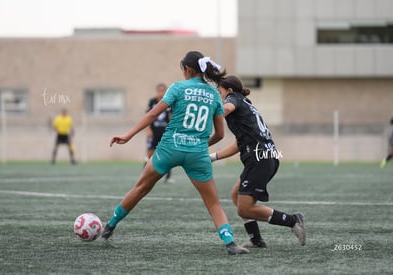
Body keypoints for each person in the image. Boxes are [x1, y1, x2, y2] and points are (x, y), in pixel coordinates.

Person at [102, 51, 249, 255]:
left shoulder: (178, 88)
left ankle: (109, 226)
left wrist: (128, 135)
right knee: (213, 203)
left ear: (188, 69)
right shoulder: (214, 94)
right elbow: (220, 134)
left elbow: (153, 114)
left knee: (141, 188)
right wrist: (198, 144)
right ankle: (230, 243)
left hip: (169, 148)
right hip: (197, 153)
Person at [210, 75, 306, 248]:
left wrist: (207, 112)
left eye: (220, 91)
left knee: (244, 209)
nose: (219, 95)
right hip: (265, 157)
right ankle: (256, 239)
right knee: (236, 195)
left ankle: (293, 220)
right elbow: (238, 144)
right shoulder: (246, 104)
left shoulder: (234, 99)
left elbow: (227, 108)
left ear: (229, 91)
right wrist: (213, 157)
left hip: (259, 159)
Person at [145, 83, 174, 183]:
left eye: (163, 91)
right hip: (154, 132)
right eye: (159, 91)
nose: (161, 93)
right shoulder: (152, 101)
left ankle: (168, 176)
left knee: (167, 154)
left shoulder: (169, 101)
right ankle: (146, 173)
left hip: (165, 132)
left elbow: (171, 116)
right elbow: (148, 115)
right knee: (150, 153)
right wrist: (148, 129)